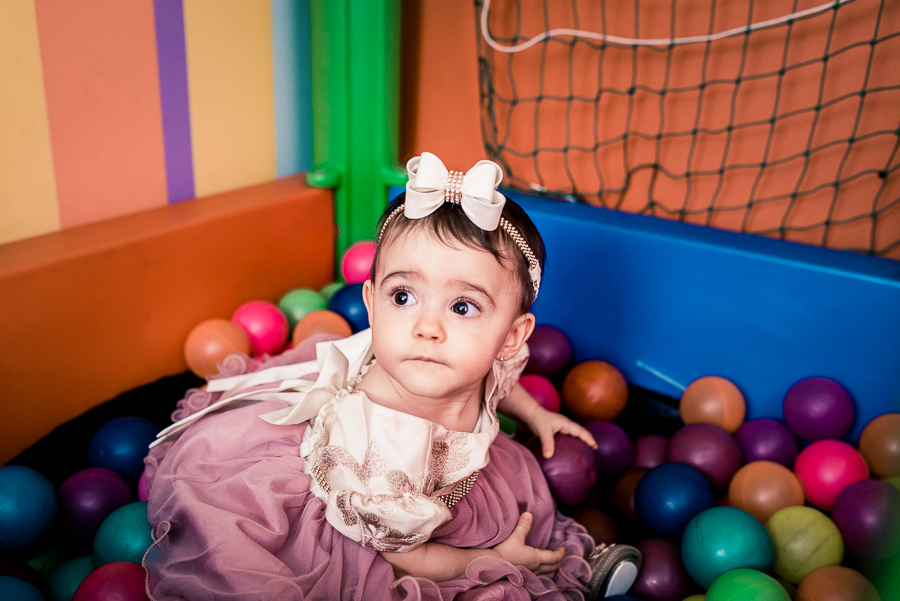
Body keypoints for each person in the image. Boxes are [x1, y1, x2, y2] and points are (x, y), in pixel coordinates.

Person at [143, 152, 641, 600]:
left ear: (511, 337)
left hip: (447, 474)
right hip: (379, 524)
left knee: (523, 506)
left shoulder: (471, 361)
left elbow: (496, 388)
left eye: (463, 306)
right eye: (402, 297)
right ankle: (543, 568)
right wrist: (495, 562)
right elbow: (410, 558)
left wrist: (537, 414)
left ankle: (569, 559)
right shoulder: (383, 447)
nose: (427, 327)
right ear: (371, 304)